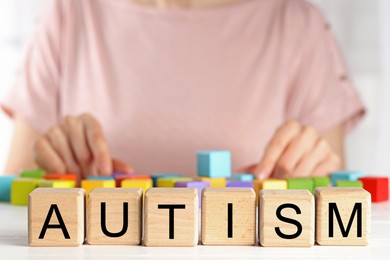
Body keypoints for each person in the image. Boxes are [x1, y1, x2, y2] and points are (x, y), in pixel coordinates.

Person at [1, 0, 364, 181]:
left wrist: (305, 179)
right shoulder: (69, 14)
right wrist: (54, 169)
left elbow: (335, 196)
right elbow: (13, 190)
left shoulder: (297, 21)